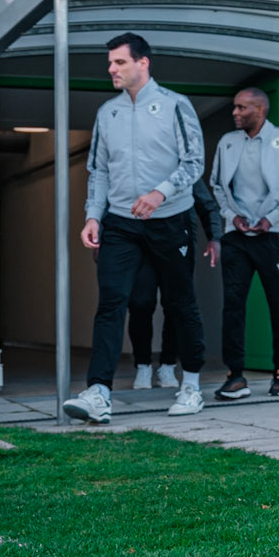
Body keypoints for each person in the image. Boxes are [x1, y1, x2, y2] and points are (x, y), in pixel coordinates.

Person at [63, 34, 207, 423]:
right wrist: (93, 216)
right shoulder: (107, 113)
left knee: (180, 303)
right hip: (121, 223)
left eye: (119, 62)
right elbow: (99, 171)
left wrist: (160, 193)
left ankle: (191, 385)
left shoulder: (176, 105)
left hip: (170, 219)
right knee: (112, 302)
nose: (112, 69)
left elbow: (195, 163)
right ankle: (99, 392)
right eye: (110, 63)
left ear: (143, 63)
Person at [210, 86, 279, 400]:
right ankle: (236, 376)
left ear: (260, 110)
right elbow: (215, 183)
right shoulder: (227, 143)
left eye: (242, 108)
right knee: (233, 305)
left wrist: (276, 216)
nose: (235, 113)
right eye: (235, 107)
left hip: (276, 234)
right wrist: (232, 216)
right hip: (236, 235)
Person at [128, 176, 222, 389]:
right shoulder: (138, 166)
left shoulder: (181, 168)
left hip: (177, 239)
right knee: (140, 302)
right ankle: (142, 365)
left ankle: (168, 365)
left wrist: (214, 237)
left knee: (176, 304)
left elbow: (207, 205)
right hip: (141, 241)